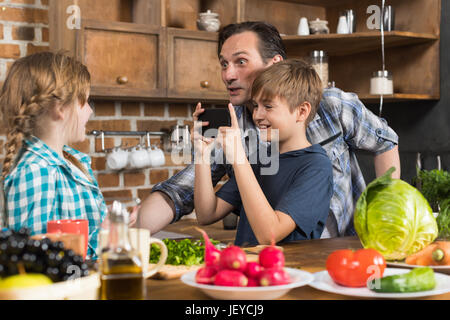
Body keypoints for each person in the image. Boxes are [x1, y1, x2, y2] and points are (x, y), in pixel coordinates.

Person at [138, 21, 400, 238]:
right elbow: (185, 195)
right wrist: (131, 233)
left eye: (240, 61)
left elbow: (385, 142)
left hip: (332, 252)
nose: (228, 75)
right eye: (223, 64)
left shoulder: (332, 107)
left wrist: (385, 218)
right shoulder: (239, 135)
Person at [194, 59, 333, 246]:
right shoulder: (261, 159)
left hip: (288, 272)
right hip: (247, 269)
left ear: (302, 111)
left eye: (268, 107)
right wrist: (202, 155)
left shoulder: (316, 167)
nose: (257, 115)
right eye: (256, 106)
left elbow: (269, 235)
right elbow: (206, 214)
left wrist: (238, 156)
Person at [0, 51, 107, 260]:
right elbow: (37, 262)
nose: (90, 112)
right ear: (60, 108)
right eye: (84, 102)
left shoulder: (73, 162)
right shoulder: (36, 172)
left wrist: (110, 230)